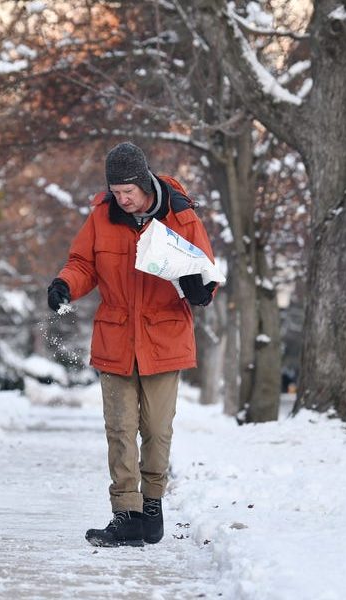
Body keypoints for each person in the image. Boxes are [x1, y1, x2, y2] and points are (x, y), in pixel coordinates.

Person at [47, 141, 218, 548]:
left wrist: (199, 289)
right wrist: (64, 284)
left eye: (129, 192)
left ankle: (152, 508)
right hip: (117, 336)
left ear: (144, 184)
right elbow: (83, 263)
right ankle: (126, 514)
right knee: (120, 429)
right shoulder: (102, 216)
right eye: (116, 192)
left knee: (156, 430)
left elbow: (206, 272)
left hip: (164, 336)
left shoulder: (180, 214)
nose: (122, 200)